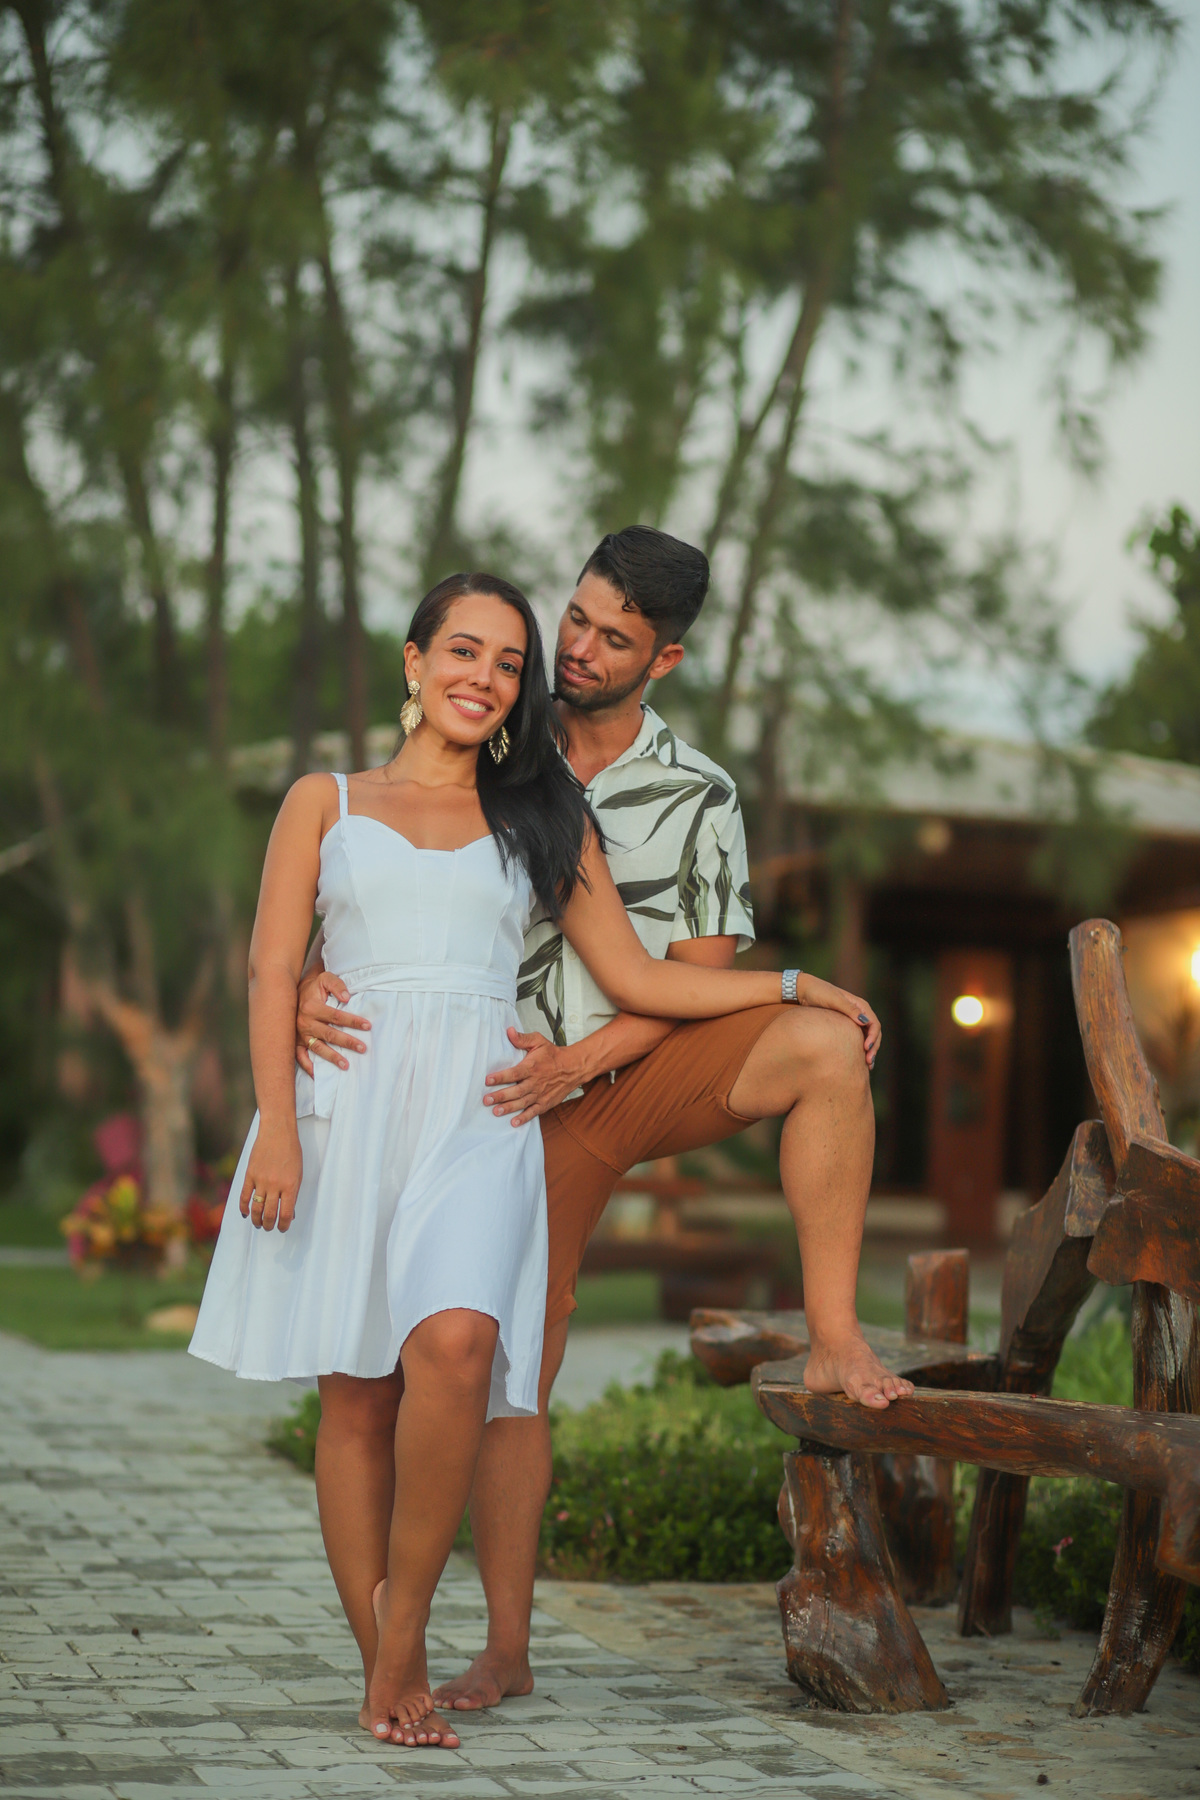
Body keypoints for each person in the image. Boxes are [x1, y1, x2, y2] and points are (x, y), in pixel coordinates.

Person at [192, 568, 890, 1752]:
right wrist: (275, 1130)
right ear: (414, 666)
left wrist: (790, 981)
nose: (487, 676)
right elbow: (272, 970)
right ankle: (384, 1666)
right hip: (346, 1110)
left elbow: (638, 977)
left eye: (508, 663)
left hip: (483, 1107)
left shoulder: (539, 815)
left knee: (462, 1346)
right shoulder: (326, 799)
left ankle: (407, 1627)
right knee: (357, 1397)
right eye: (464, 652)